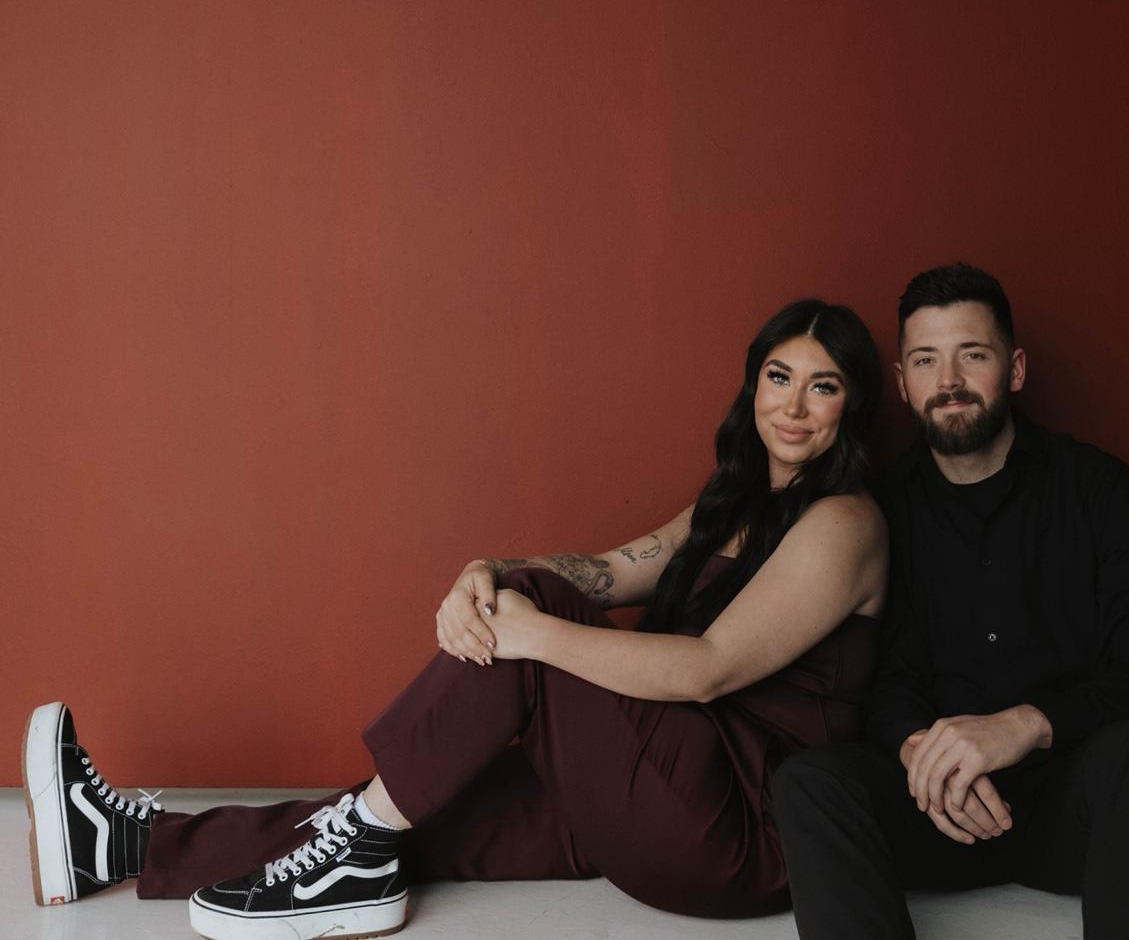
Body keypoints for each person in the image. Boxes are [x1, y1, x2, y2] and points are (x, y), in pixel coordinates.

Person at [23, 298, 890, 940]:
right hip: (662, 793)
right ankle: (126, 845)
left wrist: (526, 628)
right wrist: (489, 574)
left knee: (521, 628)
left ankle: (357, 851)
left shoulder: (845, 523)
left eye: (823, 387)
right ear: (753, 385)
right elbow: (612, 569)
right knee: (411, 809)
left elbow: (707, 668)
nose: (793, 407)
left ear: (851, 405)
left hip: (735, 830)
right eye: (779, 378)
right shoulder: (732, 501)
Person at [774, 263, 1129, 940]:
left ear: (1015, 368)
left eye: (972, 355)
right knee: (809, 782)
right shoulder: (876, 511)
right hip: (938, 808)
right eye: (926, 360)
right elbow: (880, 675)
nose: (948, 380)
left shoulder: (1098, 488)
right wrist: (919, 749)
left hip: (1076, 807)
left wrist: (1026, 725)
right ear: (903, 383)